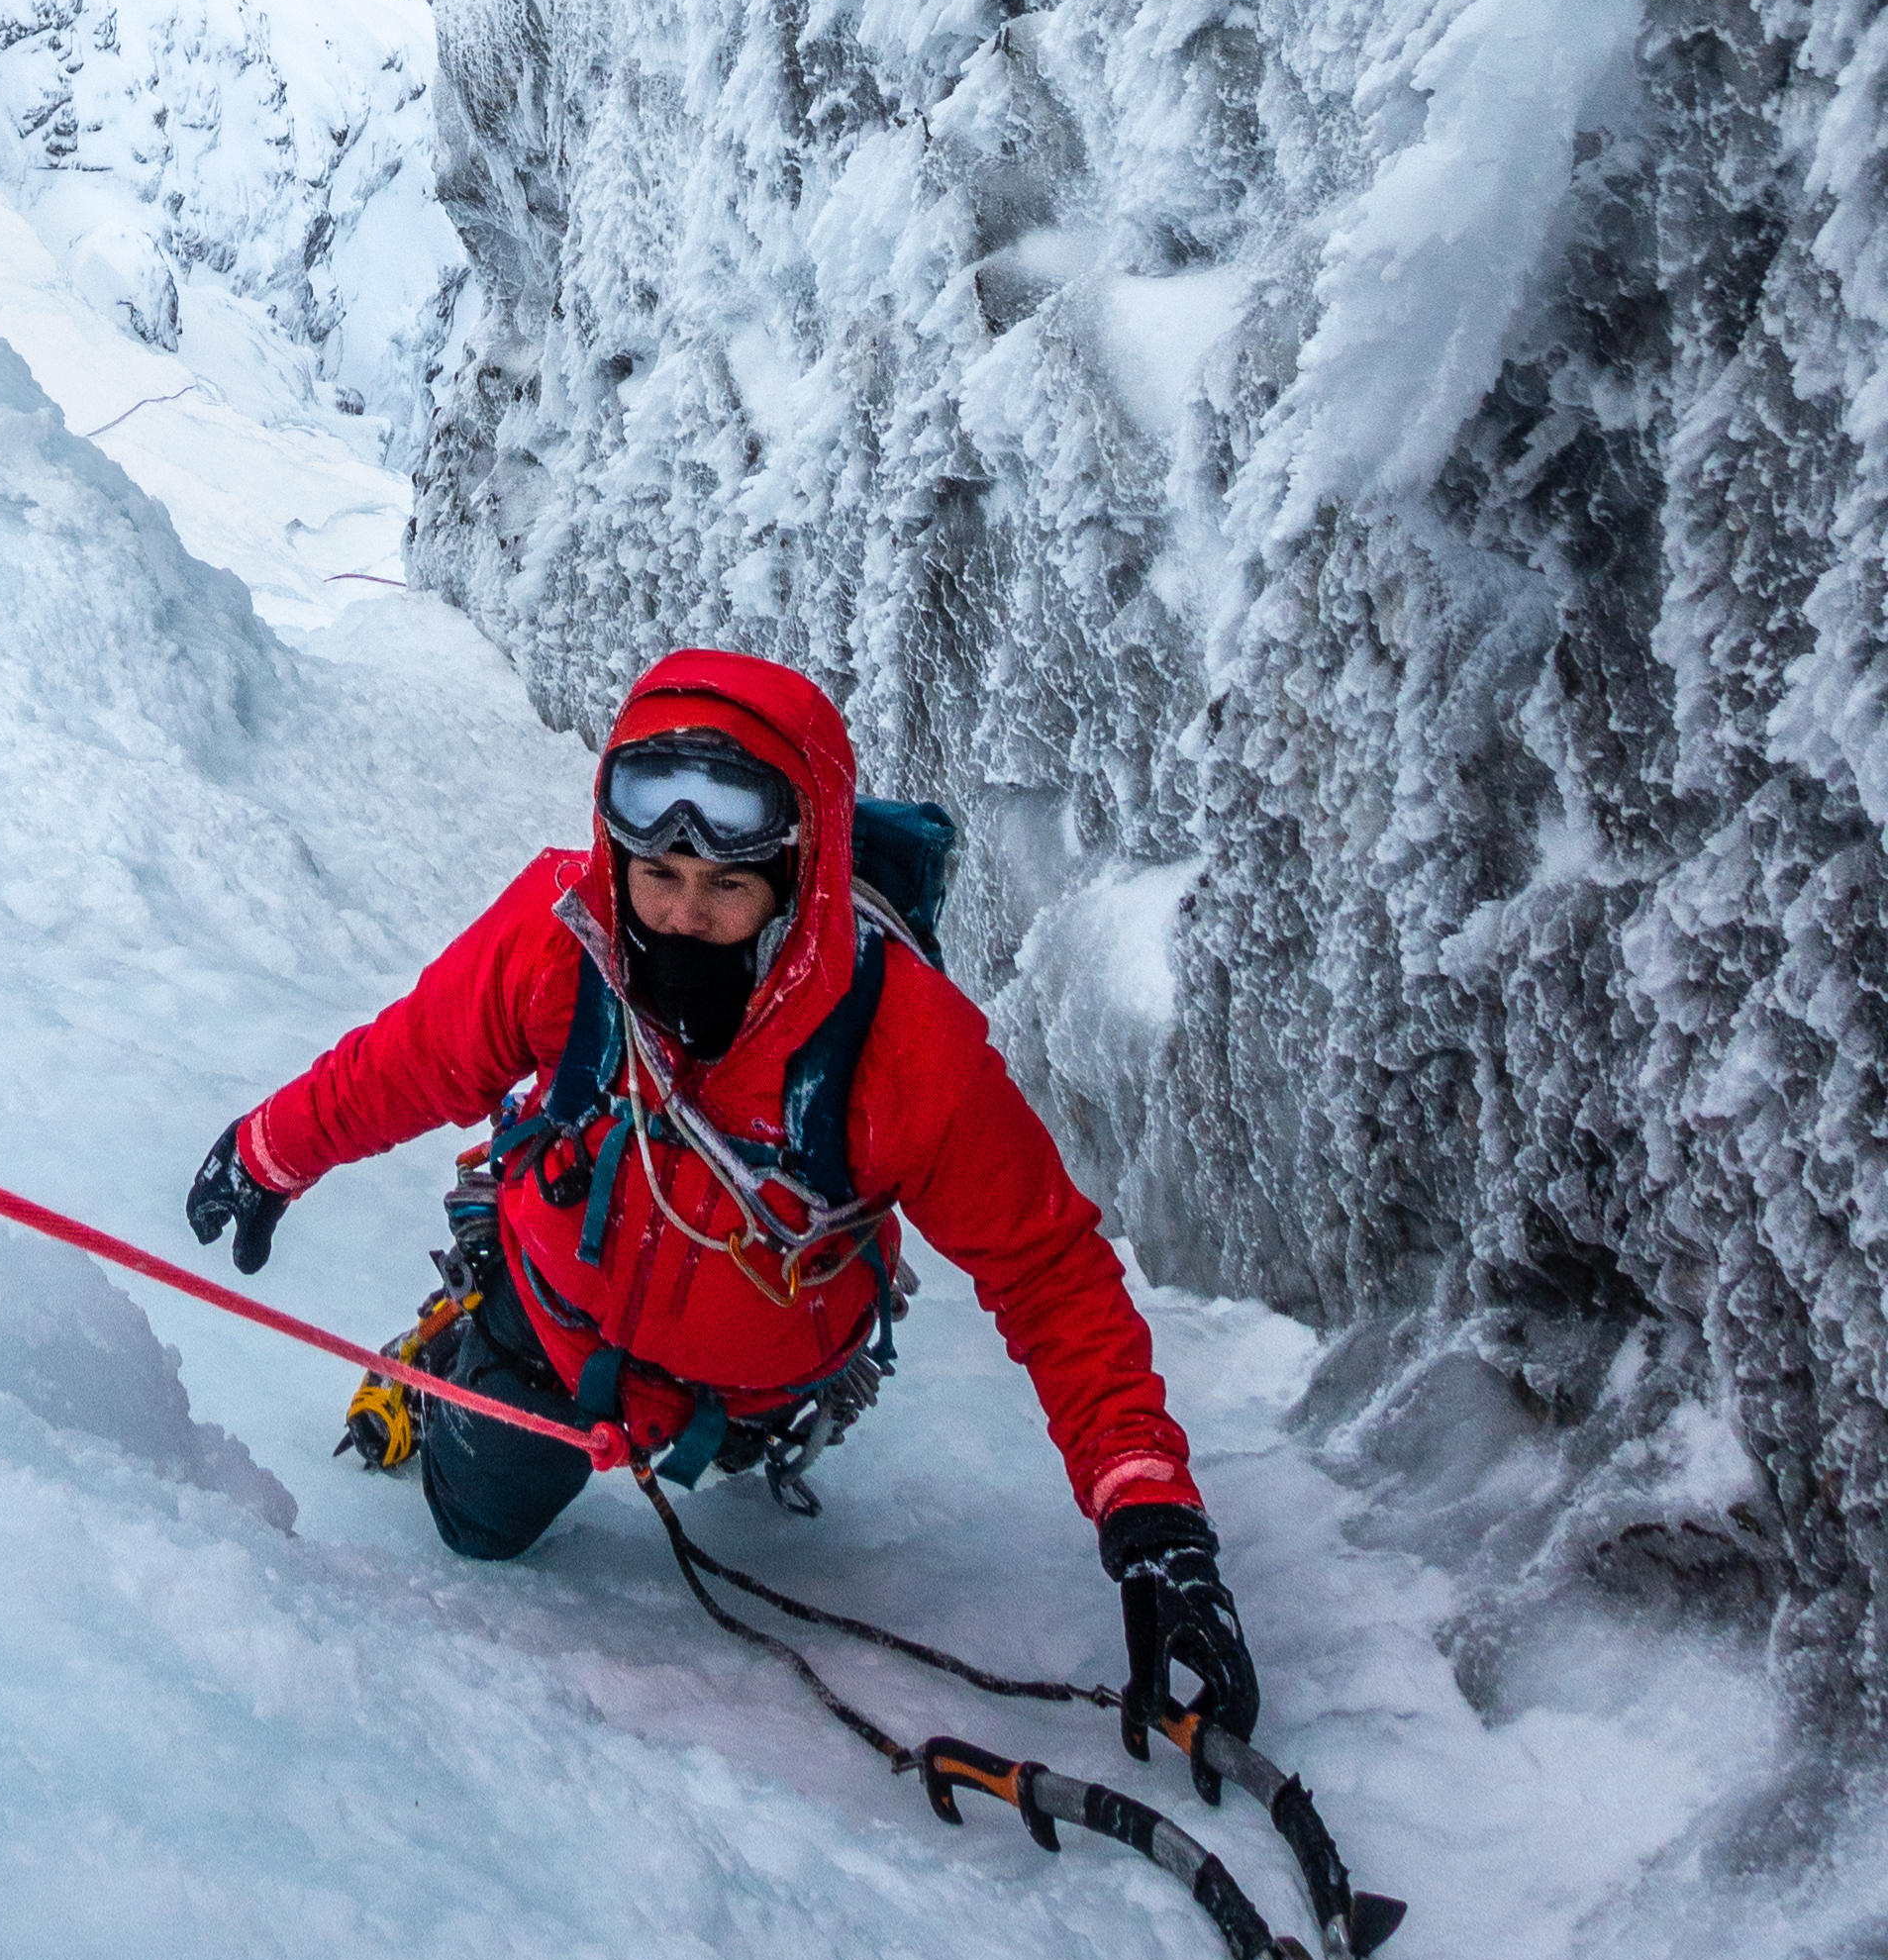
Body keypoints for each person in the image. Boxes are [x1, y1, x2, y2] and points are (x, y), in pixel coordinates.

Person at [185, 647, 1260, 1760]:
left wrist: (1151, 1514)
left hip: (769, 1382)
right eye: (659, 878)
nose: (684, 917)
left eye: (728, 888)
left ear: (798, 875)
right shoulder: (564, 944)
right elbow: (415, 1060)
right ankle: (462, 1322)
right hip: (559, 1323)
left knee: (744, 1460)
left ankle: (714, 1413)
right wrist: (272, 1151)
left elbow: (1048, 1274)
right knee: (475, 1527)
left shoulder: (903, 1045)